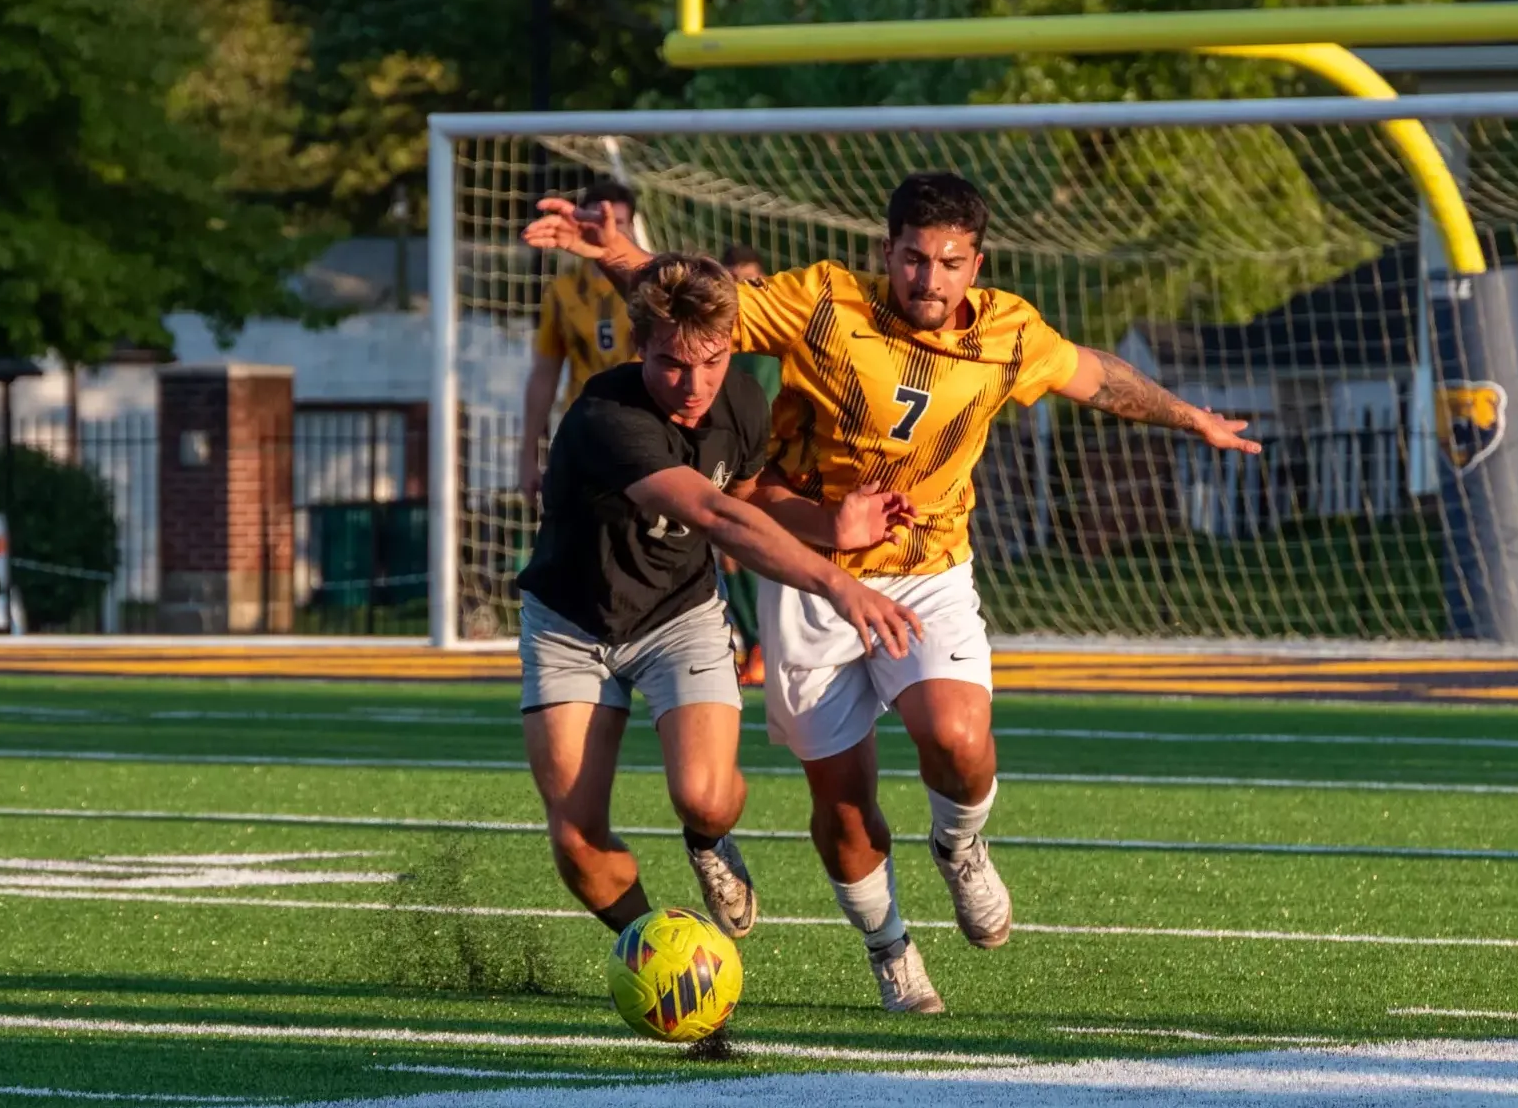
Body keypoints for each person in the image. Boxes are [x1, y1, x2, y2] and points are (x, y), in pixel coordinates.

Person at [525, 173, 1259, 1011]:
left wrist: (1189, 418)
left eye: (950, 263)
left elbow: (1093, 373)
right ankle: (892, 951)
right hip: (807, 574)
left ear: (975, 263)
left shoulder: (1010, 333)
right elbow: (698, 308)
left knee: (955, 732)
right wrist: (615, 251)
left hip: (927, 567)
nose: (930, 279)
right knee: (843, 808)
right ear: (889, 252)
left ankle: (962, 844)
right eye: (914, 259)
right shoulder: (823, 304)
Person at [515, 251, 923, 941]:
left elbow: (747, 497)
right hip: (570, 625)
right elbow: (716, 518)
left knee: (705, 800)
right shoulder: (606, 414)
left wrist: (832, 526)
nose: (694, 383)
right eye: (672, 363)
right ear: (640, 344)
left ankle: (707, 844)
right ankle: (654, 948)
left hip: (679, 616)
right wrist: (838, 581)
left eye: (713, 360)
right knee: (579, 841)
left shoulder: (741, 399)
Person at [519, 181, 641, 501]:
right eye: (599, 221)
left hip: (644, 434)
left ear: (632, 227)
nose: (609, 230)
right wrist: (528, 453)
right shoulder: (562, 292)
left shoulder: (650, 290)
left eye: (619, 222)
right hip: (583, 434)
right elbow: (544, 374)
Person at [720, 243, 783, 686]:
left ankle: (765, 645)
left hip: (769, 456)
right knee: (728, 554)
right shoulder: (717, 335)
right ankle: (755, 646)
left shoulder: (767, 337)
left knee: (753, 552)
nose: (742, 289)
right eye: (733, 280)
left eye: (750, 281)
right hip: (728, 451)